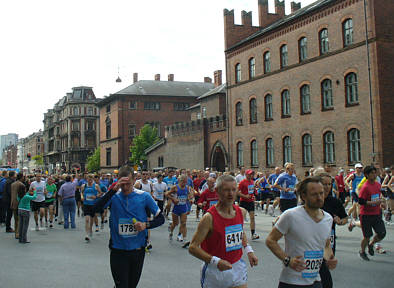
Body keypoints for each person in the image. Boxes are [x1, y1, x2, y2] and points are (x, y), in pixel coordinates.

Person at [93, 166, 164, 288]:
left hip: (137, 250)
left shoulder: (144, 196)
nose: (125, 188)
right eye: (122, 184)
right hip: (118, 250)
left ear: (135, 180)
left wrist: (145, 225)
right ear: (118, 181)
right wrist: (113, 190)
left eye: (128, 184)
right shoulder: (114, 196)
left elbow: (160, 218)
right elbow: (95, 209)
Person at [266, 176, 337, 288]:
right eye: (314, 194)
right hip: (292, 281)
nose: (319, 197)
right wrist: (287, 260)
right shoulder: (291, 215)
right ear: (304, 196)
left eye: (321, 193)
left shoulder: (328, 218)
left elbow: (326, 244)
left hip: (315, 280)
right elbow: (270, 240)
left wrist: (330, 257)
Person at [189, 175, 258, 288]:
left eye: (233, 189)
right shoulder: (209, 218)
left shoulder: (241, 212)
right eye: (226, 190)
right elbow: (193, 247)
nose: (230, 194)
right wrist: (216, 262)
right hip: (215, 271)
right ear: (217, 191)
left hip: (237, 266)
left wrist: (249, 250)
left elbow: (239, 231)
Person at [318, 173, 348, 288]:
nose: (327, 187)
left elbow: (345, 218)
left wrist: (340, 221)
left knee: (325, 272)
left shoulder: (335, 202)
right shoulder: (312, 201)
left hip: (329, 241)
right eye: (324, 184)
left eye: (329, 184)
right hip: (313, 242)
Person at [357, 166, 387, 261]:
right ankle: (362, 251)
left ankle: (371, 244)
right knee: (367, 236)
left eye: (375, 173)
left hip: (376, 213)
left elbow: (379, 197)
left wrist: (382, 203)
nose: (374, 175)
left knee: (382, 233)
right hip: (366, 215)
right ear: (366, 175)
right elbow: (361, 201)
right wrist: (374, 203)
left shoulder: (378, 185)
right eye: (372, 173)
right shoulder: (365, 187)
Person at [166, 174, 194, 242]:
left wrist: (190, 198)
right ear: (180, 181)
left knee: (183, 223)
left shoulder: (187, 188)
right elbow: (166, 194)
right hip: (176, 208)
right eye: (183, 181)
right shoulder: (175, 187)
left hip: (183, 207)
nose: (184, 183)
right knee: (175, 223)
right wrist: (173, 198)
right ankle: (171, 231)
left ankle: (184, 239)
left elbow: (190, 194)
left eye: (185, 182)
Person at [238, 169, 260, 240]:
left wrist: (254, 195)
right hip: (243, 202)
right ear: (246, 175)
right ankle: (239, 233)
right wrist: (245, 196)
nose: (251, 175)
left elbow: (253, 191)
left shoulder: (252, 182)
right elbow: (237, 192)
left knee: (252, 217)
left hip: (250, 201)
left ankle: (253, 234)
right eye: (250, 174)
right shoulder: (242, 182)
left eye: (252, 174)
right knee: (242, 218)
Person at [81, 174, 102, 241]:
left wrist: (95, 196)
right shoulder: (84, 186)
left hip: (93, 204)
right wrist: (82, 197)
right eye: (88, 179)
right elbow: (81, 192)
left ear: (92, 179)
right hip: (86, 204)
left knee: (91, 218)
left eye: (91, 179)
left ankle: (90, 229)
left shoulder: (96, 186)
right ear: (86, 179)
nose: (89, 180)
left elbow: (100, 193)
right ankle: (87, 234)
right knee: (87, 219)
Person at [10, 173, 26, 239]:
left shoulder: (12, 184)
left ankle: (16, 232)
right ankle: (18, 233)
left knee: (16, 219)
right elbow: (22, 195)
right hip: (20, 203)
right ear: (21, 177)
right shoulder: (22, 185)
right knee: (20, 219)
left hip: (13, 203)